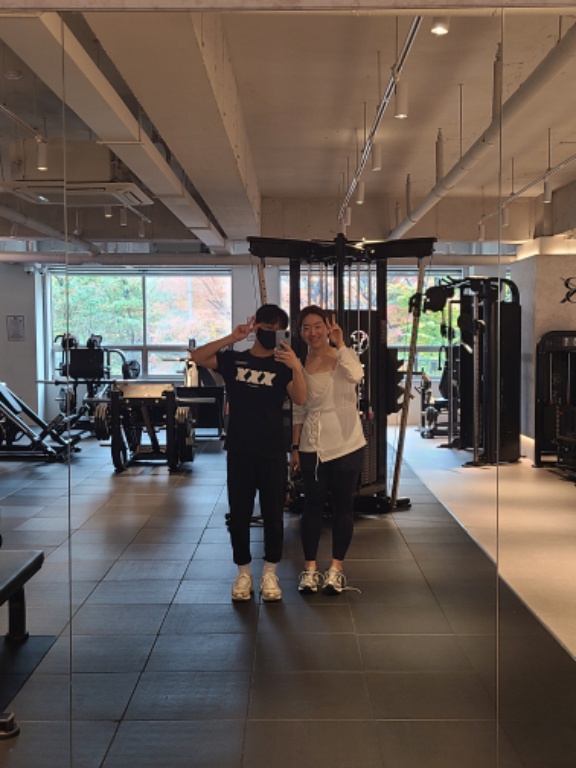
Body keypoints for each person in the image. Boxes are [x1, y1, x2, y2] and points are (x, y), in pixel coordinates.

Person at [190, 304, 306, 602]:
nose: (271, 333)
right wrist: (233, 337)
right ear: (256, 327)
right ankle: (243, 573)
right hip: (240, 449)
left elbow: (300, 397)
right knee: (239, 514)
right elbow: (197, 356)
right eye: (266, 328)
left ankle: (270, 573)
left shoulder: (283, 364)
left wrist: (296, 366)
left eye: (277, 330)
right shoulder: (234, 359)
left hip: (272, 450)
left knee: (273, 514)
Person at [291, 305, 366, 594]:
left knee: (343, 505)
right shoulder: (300, 363)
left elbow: (357, 375)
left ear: (327, 327)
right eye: (306, 328)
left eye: (317, 326)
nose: (312, 332)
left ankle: (336, 569)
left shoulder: (344, 356)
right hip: (312, 443)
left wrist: (341, 343)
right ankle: (310, 569)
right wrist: (295, 447)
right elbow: (299, 408)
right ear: (300, 332)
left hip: (347, 441)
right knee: (312, 506)